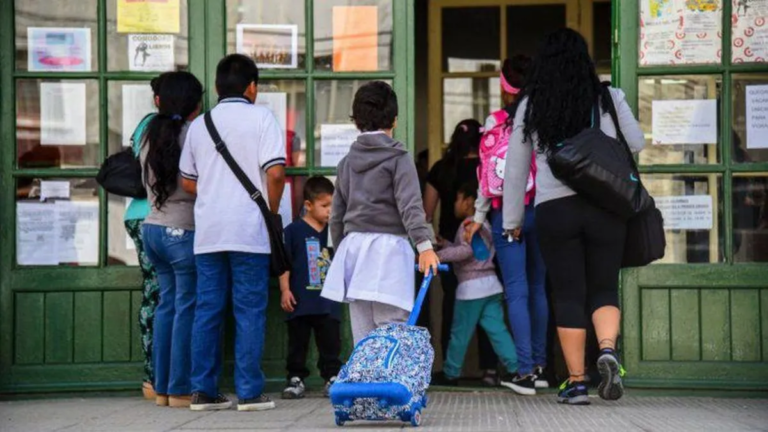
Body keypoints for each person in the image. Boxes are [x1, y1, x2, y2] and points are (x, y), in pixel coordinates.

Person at [501, 29, 644, 405]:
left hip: (555, 209)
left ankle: (576, 383)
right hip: (605, 206)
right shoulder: (608, 97)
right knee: (604, 287)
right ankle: (608, 350)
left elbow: (515, 169)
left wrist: (512, 220)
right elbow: (637, 143)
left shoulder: (532, 104)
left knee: (567, 293)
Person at [180, 54, 286, 412]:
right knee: (250, 310)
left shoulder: (200, 124)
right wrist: (271, 210)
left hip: (209, 232)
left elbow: (187, 181)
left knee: (207, 310)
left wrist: (215, 191)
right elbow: (275, 174)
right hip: (249, 230)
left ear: (216, 87)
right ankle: (250, 393)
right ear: (252, 87)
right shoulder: (263, 118)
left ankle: (203, 392)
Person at [321, 81, 440, 344]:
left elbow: (337, 216)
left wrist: (341, 252)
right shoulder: (399, 158)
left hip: (354, 250)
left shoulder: (346, 163)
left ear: (356, 122)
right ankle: (388, 373)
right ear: (394, 120)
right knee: (392, 331)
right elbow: (410, 206)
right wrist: (424, 246)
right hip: (390, 252)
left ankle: (366, 373)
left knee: (363, 337)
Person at [466, 55, 548, 395]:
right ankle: (540, 367)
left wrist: (478, 217)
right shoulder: (546, 118)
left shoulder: (496, 121)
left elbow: (486, 177)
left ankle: (524, 372)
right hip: (541, 211)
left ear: (505, 87)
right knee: (539, 288)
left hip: (506, 213)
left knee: (516, 289)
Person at [140, 71, 203, 408]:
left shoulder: (149, 133)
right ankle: (180, 389)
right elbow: (195, 183)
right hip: (182, 230)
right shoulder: (192, 133)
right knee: (186, 307)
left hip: (152, 228)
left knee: (167, 305)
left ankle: (162, 388)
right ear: (194, 104)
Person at [424, 120, 499, 386]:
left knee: (452, 308)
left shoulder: (441, 169)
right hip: (488, 247)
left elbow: (426, 213)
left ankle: (450, 370)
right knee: (489, 312)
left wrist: (431, 245)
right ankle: (491, 370)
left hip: (451, 248)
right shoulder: (487, 167)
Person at [430, 182, 519, 389]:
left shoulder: (470, 225)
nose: (454, 204)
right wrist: (447, 245)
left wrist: (437, 256)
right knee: (498, 331)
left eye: (457, 199)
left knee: (460, 334)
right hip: (491, 287)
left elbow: (467, 251)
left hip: (472, 289)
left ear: (469, 201)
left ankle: (451, 373)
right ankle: (516, 369)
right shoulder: (485, 224)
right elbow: (475, 251)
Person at [280, 176, 342, 400]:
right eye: (324, 206)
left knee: (330, 343)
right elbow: (285, 264)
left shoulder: (334, 231)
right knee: (298, 343)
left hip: (328, 301)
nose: (330, 211)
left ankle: (332, 377)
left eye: (333, 205)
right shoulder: (293, 231)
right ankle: (296, 378)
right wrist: (285, 290)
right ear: (308, 205)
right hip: (300, 299)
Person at [124, 75, 164, 400]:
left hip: (137, 214)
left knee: (154, 294)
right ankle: (157, 377)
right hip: (156, 216)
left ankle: (152, 377)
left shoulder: (144, 126)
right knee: (164, 295)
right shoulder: (162, 127)